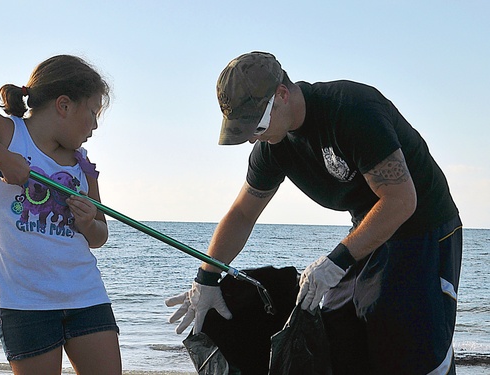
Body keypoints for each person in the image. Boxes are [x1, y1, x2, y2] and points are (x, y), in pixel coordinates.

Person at [165, 51, 462, 375]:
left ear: (282, 95)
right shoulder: (272, 147)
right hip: (369, 229)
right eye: (243, 130)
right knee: (336, 326)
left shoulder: (352, 111)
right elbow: (242, 214)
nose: (252, 137)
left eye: (256, 125)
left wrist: (336, 261)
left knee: (408, 344)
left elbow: (401, 201)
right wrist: (207, 277)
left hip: (424, 227)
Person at [0, 55, 122, 375]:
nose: (96, 125)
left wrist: (89, 222)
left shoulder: (83, 163)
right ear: (64, 105)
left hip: (86, 296)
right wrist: (3, 158)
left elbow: (100, 237)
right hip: (26, 304)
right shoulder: (9, 133)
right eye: (93, 112)